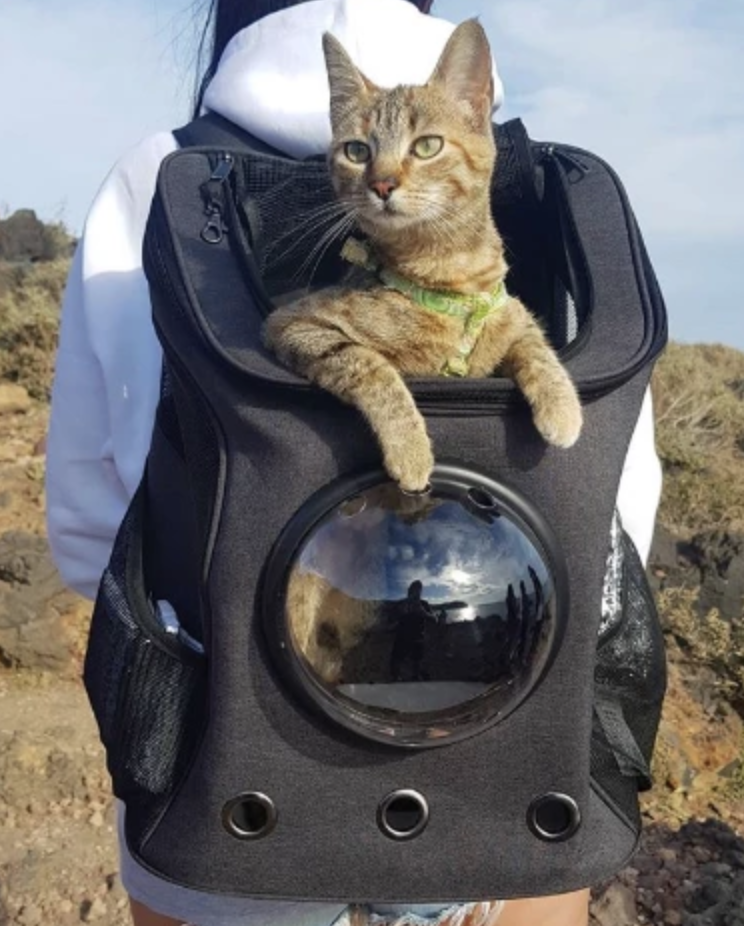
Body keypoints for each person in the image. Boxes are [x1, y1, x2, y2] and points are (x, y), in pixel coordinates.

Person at [46, 1, 663, 924]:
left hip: (233, 804)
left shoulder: (154, 176)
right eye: (359, 152)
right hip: (507, 797)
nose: (379, 174)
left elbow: (90, 528)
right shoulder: (549, 193)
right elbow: (620, 517)